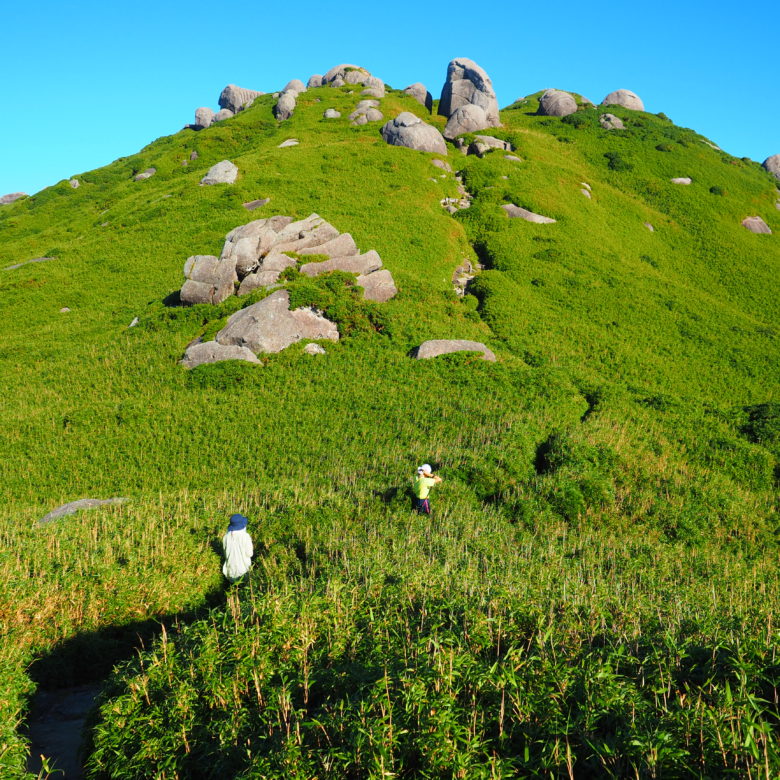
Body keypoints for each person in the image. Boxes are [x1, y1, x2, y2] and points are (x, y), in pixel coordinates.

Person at [222, 513, 253, 584]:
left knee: (233, 589)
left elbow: (225, 554)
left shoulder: (226, 537)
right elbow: (250, 554)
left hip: (230, 572)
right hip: (244, 571)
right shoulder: (245, 536)